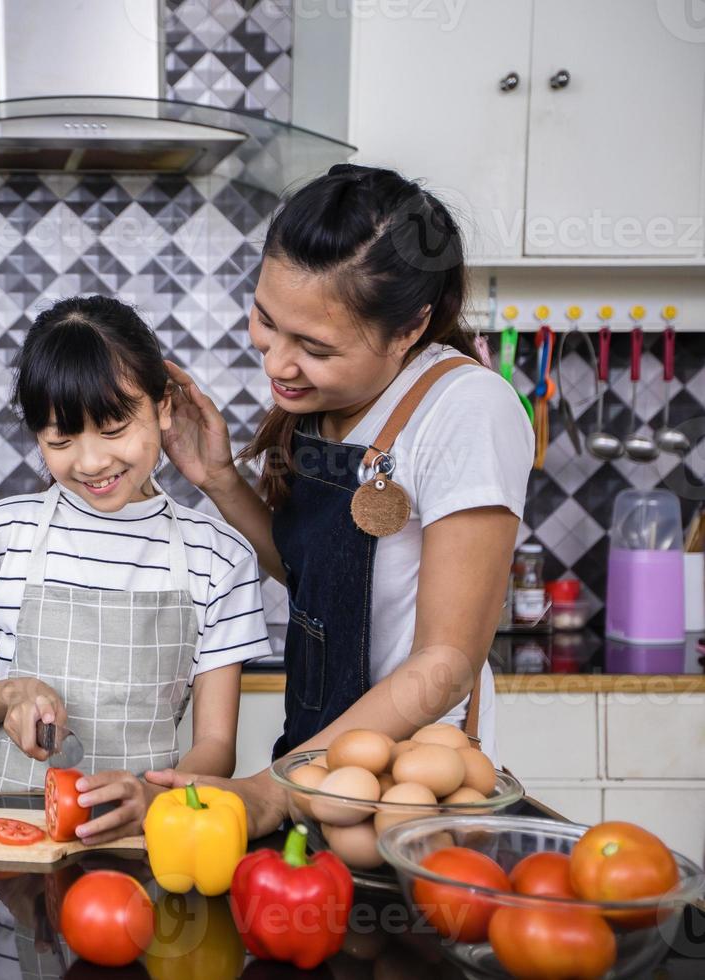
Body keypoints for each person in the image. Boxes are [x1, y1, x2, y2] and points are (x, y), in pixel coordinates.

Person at [149, 164, 533, 837]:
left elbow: (447, 664)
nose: (276, 363)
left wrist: (273, 789)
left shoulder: (468, 408)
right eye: (267, 320)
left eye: (315, 347)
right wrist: (218, 479)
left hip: (412, 787)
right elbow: (316, 573)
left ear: (409, 327)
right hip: (315, 755)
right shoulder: (328, 404)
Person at [0, 296, 273, 844]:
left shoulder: (219, 556)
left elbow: (217, 746)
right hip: (14, 838)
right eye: (59, 440)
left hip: (146, 838)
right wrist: (10, 695)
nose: (90, 463)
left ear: (163, 408)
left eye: (114, 429)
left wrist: (157, 800)